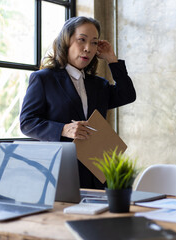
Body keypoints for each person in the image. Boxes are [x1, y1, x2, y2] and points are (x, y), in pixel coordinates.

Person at [20, 16, 136, 189]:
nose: (88, 48)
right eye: (82, 40)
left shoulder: (99, 85)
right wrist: (64, 129)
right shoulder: (43, 79)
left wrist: (112, 59)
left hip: (97, 173)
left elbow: (127, 95)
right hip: (60, 172)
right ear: (66, 41)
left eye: (94, 43)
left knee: (98, 215)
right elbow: (27, 123)